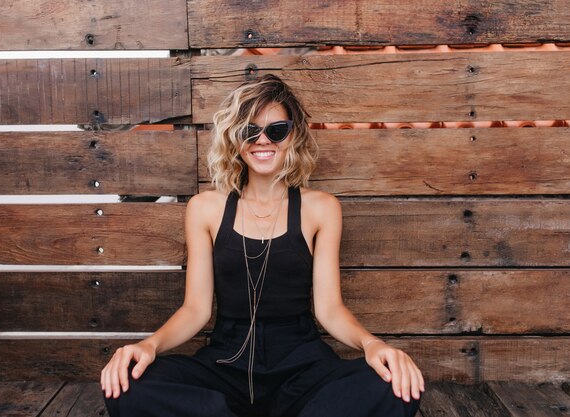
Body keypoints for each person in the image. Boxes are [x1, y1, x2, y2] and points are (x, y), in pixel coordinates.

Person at [101, 74, 424, 417]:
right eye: (249, 131)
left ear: (293, 135)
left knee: (396, 386)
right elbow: (195, 310)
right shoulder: (205, 208)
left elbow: (329, 309)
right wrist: (148, 346)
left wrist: (371, 344)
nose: (262, 141)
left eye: (276, 130)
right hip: (225, 366)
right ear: (235, 139)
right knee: (126, 387)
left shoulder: (321, 208)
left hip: (303, 368)